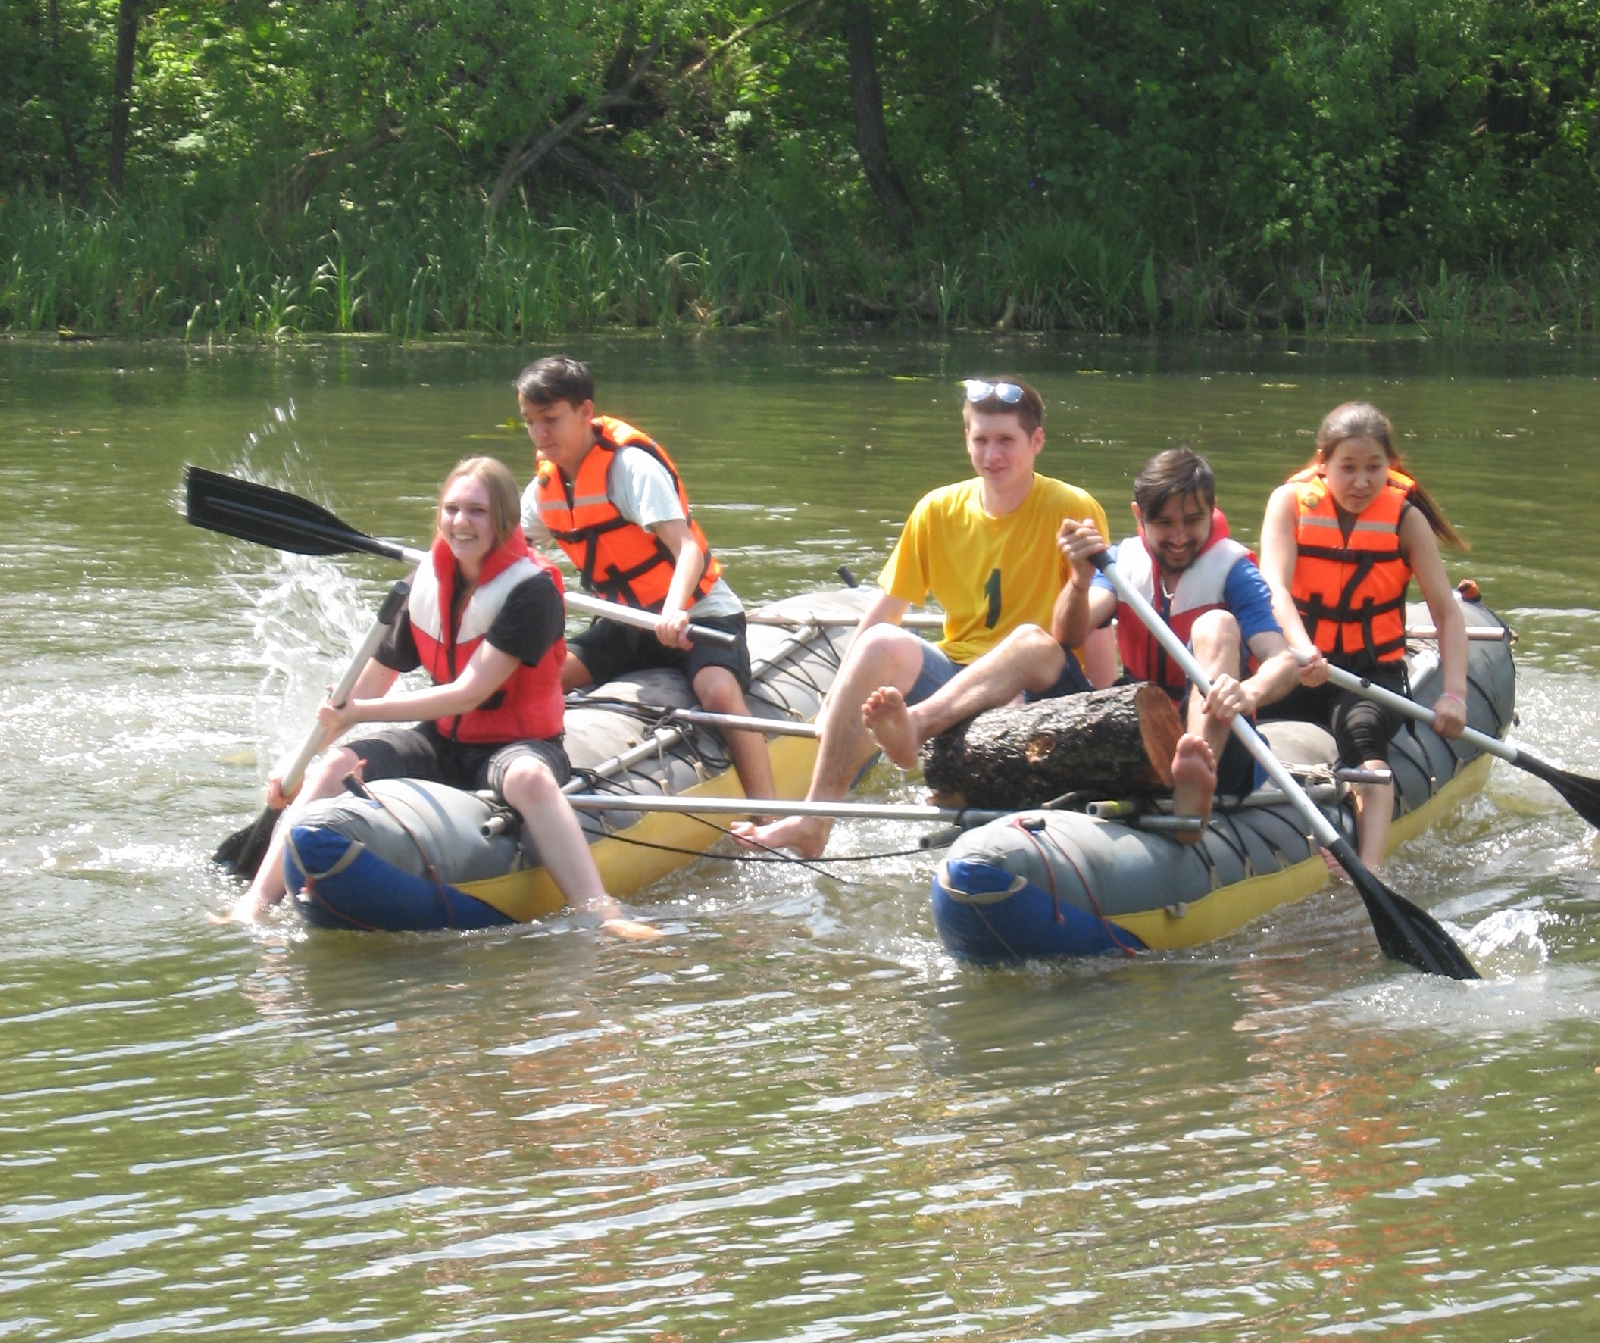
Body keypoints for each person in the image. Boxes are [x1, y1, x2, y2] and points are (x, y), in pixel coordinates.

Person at [233, 457, 657, 936]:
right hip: (442, 742)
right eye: (451, 509)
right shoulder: (425, 583)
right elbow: (371, 682)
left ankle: (600, 911)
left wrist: (361, 711)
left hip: (517, 743)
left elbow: (468, 693)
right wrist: (301, 755)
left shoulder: (532, 590)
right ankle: (254, 904)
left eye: (476, 511)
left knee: (531, 781)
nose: (460, 523)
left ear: (502, 520)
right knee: (331, 767)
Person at [736, 376, 1113, 858]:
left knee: (1029, 638)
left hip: (1037, 682)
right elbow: (886, 611)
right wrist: (834, 701)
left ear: (1036, 442)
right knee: (876, 645)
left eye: (1006, 441)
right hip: (958, 678)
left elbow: (1099, 627)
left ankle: (913, 729)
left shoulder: (1072, 508)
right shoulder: (936, 510)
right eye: (980, 440)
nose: (991, 455)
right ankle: (815, 819)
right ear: (966, 440)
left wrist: (1101, 715)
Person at [515, 356, 777, 806]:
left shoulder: (630, 468)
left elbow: (687, 549)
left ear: (584, 412)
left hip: (697, 615)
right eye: (530, 422)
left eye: (550, 419)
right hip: (625, 622)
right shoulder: (543, 489)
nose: (540, 434)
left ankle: (768, 815)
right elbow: (510, 551)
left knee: (716, 692)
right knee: (537, 678)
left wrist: (674, 610)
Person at [1258, 400, 1470, 871]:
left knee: (1363, 736)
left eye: (1374, 468)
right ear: (1322, 463)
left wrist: (1454, 694)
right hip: (1301, 662)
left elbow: (1446, 614)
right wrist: (1301, 648)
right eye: (1348, 468)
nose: (1361, 481)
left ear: (1390, 467)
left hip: (1369, 673)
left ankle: (1369, 869)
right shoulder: (1289, 503)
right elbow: (1274, 586)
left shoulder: (1405, 519)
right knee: (1240, 715)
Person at [1050, 447, 1303, 836]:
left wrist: (1248, 692)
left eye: (1192, 520)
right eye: (1164, 523)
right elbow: (1066, 637)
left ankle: (1194, 784)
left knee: (1216, 624)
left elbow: (1282, 662)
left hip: (1223, 743)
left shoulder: (1235, 572)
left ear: (1212, 510)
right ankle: (930, 726)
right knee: (1030, 642)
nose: (1180, 536)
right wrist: (1080, 581)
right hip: (1137, 734)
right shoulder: (1121, 564)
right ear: (1139, 515)